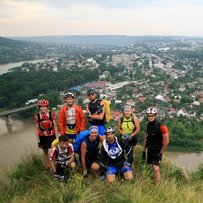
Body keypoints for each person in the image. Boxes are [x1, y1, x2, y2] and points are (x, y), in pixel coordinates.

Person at [143, 107, 169, 185]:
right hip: (150, 148)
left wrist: (161, 153)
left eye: (152, 115)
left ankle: (158, 186)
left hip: (158, 149)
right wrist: (144, 149)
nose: (150, 117)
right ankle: (156, 180)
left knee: (156, 168)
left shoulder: (161, 126)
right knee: (153, 166)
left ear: (155, 115)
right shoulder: (149, 125)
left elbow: (166, 141)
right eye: (149, 116)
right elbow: (147, 137)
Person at [34, 99, 58, 169]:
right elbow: (36, 129)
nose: (43, 108)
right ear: (39, 107)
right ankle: (47, 165)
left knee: (51, 151)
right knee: (45, 151)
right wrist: (38, 140)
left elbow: (55, 126)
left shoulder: (51, 114)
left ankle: (53, 167)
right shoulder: (37, 116)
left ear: (47, 107)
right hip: (43, 136)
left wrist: (57, 138)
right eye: (42, 107)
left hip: (51, 135)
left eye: (45, 107)